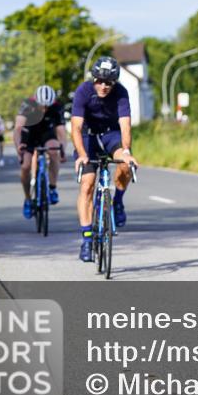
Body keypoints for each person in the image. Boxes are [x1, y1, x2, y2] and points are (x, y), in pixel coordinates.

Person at [72, 56, 138, 262]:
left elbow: (125, 125)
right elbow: (75, 127)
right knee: (88, 184)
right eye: (99, 80)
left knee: (126, 165)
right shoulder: (83, 91)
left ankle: (117, 202)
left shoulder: (121, 93)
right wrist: (82, 155)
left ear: (115, 82)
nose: (103, 86)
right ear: (94, 79)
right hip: (87, 137)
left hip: (111, 135)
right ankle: (87, 239)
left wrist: (126, 151)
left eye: (108, 82)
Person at [14, 85, 67, 218]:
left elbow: (61, 132)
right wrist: (19, 147)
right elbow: (18, 129)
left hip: (46, 132)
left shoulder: (56, 106)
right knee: (25, 166)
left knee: (54, 151)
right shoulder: (27, 104)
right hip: (30, 133)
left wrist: (63, 151)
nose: (44, 109)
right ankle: (27, 199)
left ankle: (53, 187)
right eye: (42, 106)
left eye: (47, 107)